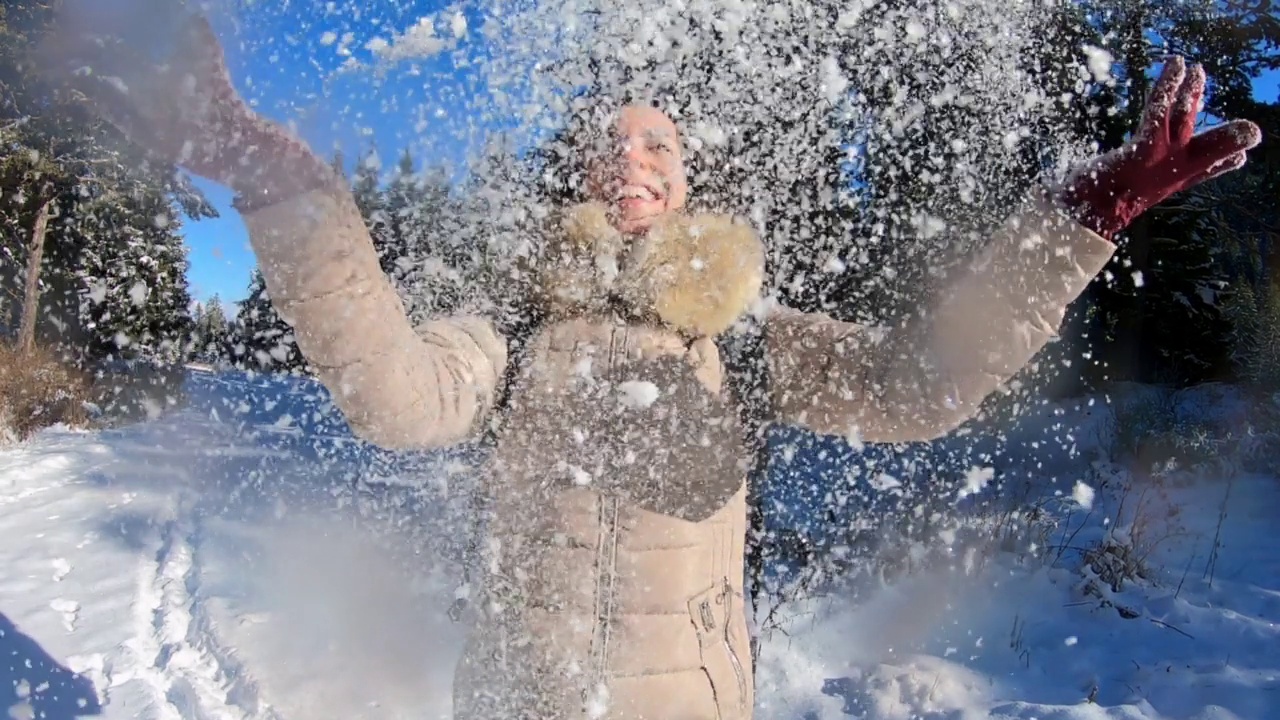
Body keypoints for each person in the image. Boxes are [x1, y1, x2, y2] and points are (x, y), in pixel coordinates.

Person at [52, 15, 1260, 720]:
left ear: (685, 180)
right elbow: (394, 400)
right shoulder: (515, 330)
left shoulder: (742, 336)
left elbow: (914, 385)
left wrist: (1079, 222)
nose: (628, 155)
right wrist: (284, 193)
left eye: (656, 141)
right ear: (580, 179)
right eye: (606, 142)